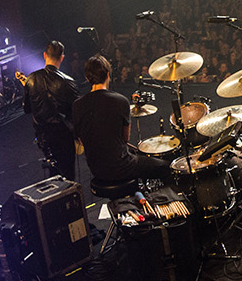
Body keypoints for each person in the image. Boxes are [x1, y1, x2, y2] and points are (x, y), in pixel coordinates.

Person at [72, 55, 171, 184]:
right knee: (164, 167)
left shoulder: (77, 105)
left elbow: (81, 140)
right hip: (121, 167)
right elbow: (125, 139)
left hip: (96, 170)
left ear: (87, 78)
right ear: (108, 75)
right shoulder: (120, 101)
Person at [23, 40, 78, 181]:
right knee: (68, 175)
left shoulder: (31, 79)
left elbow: (27, 109)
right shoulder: (67, 81)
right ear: (62, 57)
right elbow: (77, 111)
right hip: (63, 136)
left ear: (44, 55)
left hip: (43, 138)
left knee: (52, 174)